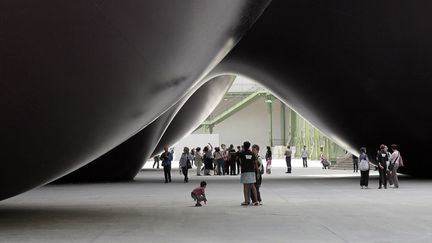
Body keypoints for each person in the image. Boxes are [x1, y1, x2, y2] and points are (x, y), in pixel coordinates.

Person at [239, 141, 259, 206]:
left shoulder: (242, 153)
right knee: (252, 185)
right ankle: (256, 201)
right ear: (249, 146)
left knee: (245, 186)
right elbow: (255, 163)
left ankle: (246, 201)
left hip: (245, 171)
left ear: (244, 146)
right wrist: (258, 172)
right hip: (252, 171)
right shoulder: (252, 154)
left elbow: (233, 154)